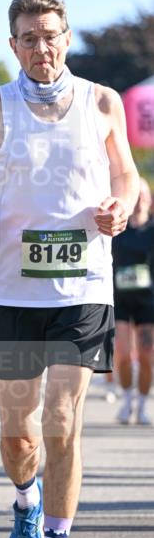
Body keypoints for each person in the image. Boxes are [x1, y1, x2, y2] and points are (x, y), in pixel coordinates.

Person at [0, 0, 139, 538]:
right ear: (13, 45)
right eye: (28, 38)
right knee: (17, 431)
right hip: (11, 289)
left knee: (62, 418)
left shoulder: (102, 102)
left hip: (84, 284)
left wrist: (122, 204)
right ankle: (26, 501)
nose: (41, 48)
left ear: (66, 36)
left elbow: (128, 176)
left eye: (51, 35)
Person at [112, 177, 154, 425]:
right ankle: (126, 400)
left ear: (149, 200)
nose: (140, 201)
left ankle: (142, 404)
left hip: (148, 301)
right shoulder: (118, 229)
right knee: (124, 355)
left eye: (144, 196)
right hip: (120, 299)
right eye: (136, 196)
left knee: (148, 356)